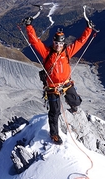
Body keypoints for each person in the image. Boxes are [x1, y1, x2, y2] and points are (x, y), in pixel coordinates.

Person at [22, 16, 94, 145]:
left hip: (66, 83)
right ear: (53, 42)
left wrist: (88, 29)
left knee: (76, 102)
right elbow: (34, 41)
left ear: (63, 43)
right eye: (56, 43)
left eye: (60, 43)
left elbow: (81, 42)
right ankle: (54, 134)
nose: (58, 46)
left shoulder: (67, 52)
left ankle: (72, 103)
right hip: (52, 87)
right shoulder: (47, 53)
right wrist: (29, 27)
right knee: (54, 111)